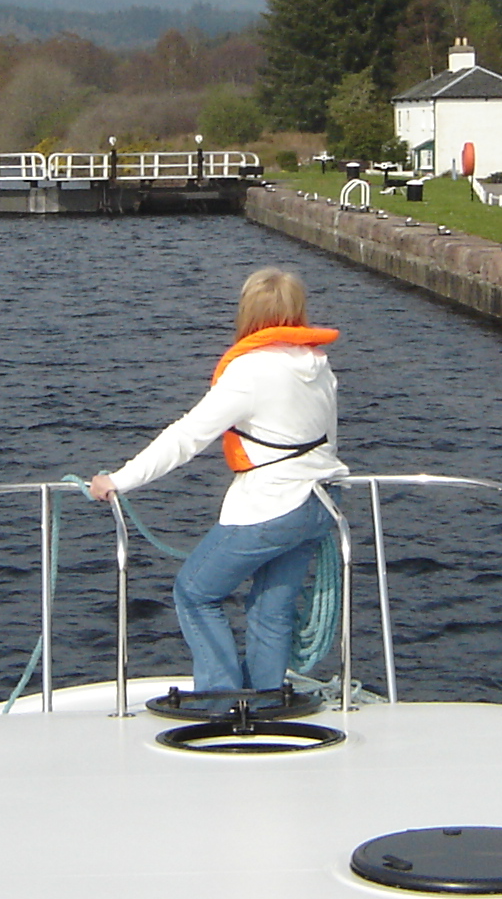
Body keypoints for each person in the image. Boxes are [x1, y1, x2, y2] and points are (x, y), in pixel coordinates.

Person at [89, 267, 346, 695]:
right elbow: (328, 442)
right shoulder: (319, 365)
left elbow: (186, 437)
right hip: (320, 505)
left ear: (248, 312)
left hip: (273, 506)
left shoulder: (250, 371)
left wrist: (118, 480)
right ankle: (263, 700)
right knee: (271, 608)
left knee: (195, 592)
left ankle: (221, 698)